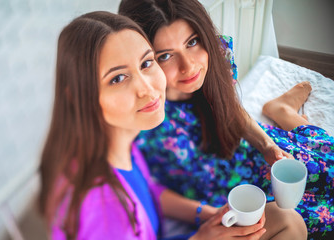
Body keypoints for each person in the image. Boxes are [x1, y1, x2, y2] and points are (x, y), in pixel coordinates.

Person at [38, 11, 276, 240]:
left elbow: (149, 189)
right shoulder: (102, 206)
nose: (148, 88)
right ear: (79, 97)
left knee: (284, 219)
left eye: (146, 63)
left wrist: (208, 215)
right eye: (118, 78)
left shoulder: (121, 145)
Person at [118, 0, 334, 239]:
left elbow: (230, 108)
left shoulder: (215, 55)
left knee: (326, 164)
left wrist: (266, 145)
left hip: (246, 149)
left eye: (192, 42)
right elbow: (149, 188)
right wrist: (206, 214)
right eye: (166, 55)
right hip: (219, 195)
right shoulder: (140, 116)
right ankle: (283, 111)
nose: (189, 66)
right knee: (308, 217)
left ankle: (281, 110)